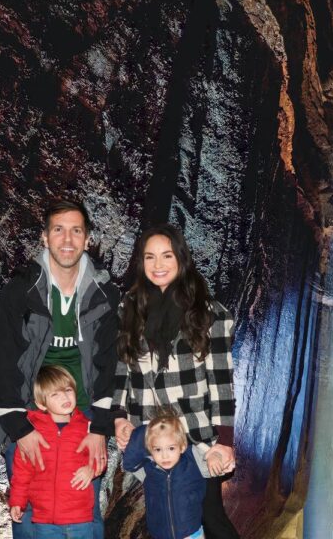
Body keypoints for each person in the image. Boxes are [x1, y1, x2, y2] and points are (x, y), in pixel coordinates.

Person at [0, 199, 119, 539]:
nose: (67, 239)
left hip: (83, 420)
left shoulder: (105, 295)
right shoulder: (20, 293)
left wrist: (100, 428)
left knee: (85, 512)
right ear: (44, 237)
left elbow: (114, 363)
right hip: (28, 416)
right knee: (29, 514)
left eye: (76, 230)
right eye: (58, 229)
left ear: (88, 239)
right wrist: (20, 429)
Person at [112, 223, 240, 538]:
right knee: (171, 522)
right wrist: (118, 417)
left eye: (167, 256)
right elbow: (122, 369)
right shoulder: (130, 308)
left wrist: (224, 441)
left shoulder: (209, 313)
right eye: (150, 257)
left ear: (180, 259)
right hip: (154, 438)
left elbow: (222, 381)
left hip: (197, 437)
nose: (158, 265)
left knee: (211, 516)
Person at [9, 366, 95, 538]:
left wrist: (92, 469)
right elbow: (22, 471)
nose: (64, 396)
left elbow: (99, 456)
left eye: (68, 390)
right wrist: (17, 501)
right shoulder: (31, 433)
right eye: (55, 394)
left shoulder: (86, 427)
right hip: (45, 521)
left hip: (80, 518)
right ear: (41, 403)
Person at [122, 409, 224, 539]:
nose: (165, 455)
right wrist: (144, 432)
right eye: (158, 449)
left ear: (182, 446)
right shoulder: (149, 470)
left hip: (191, 533)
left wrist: (214, 456)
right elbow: (129, 463)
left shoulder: (193, 461)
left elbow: (213, 463)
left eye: (171, 448)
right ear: (150, 449)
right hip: (160, 535)